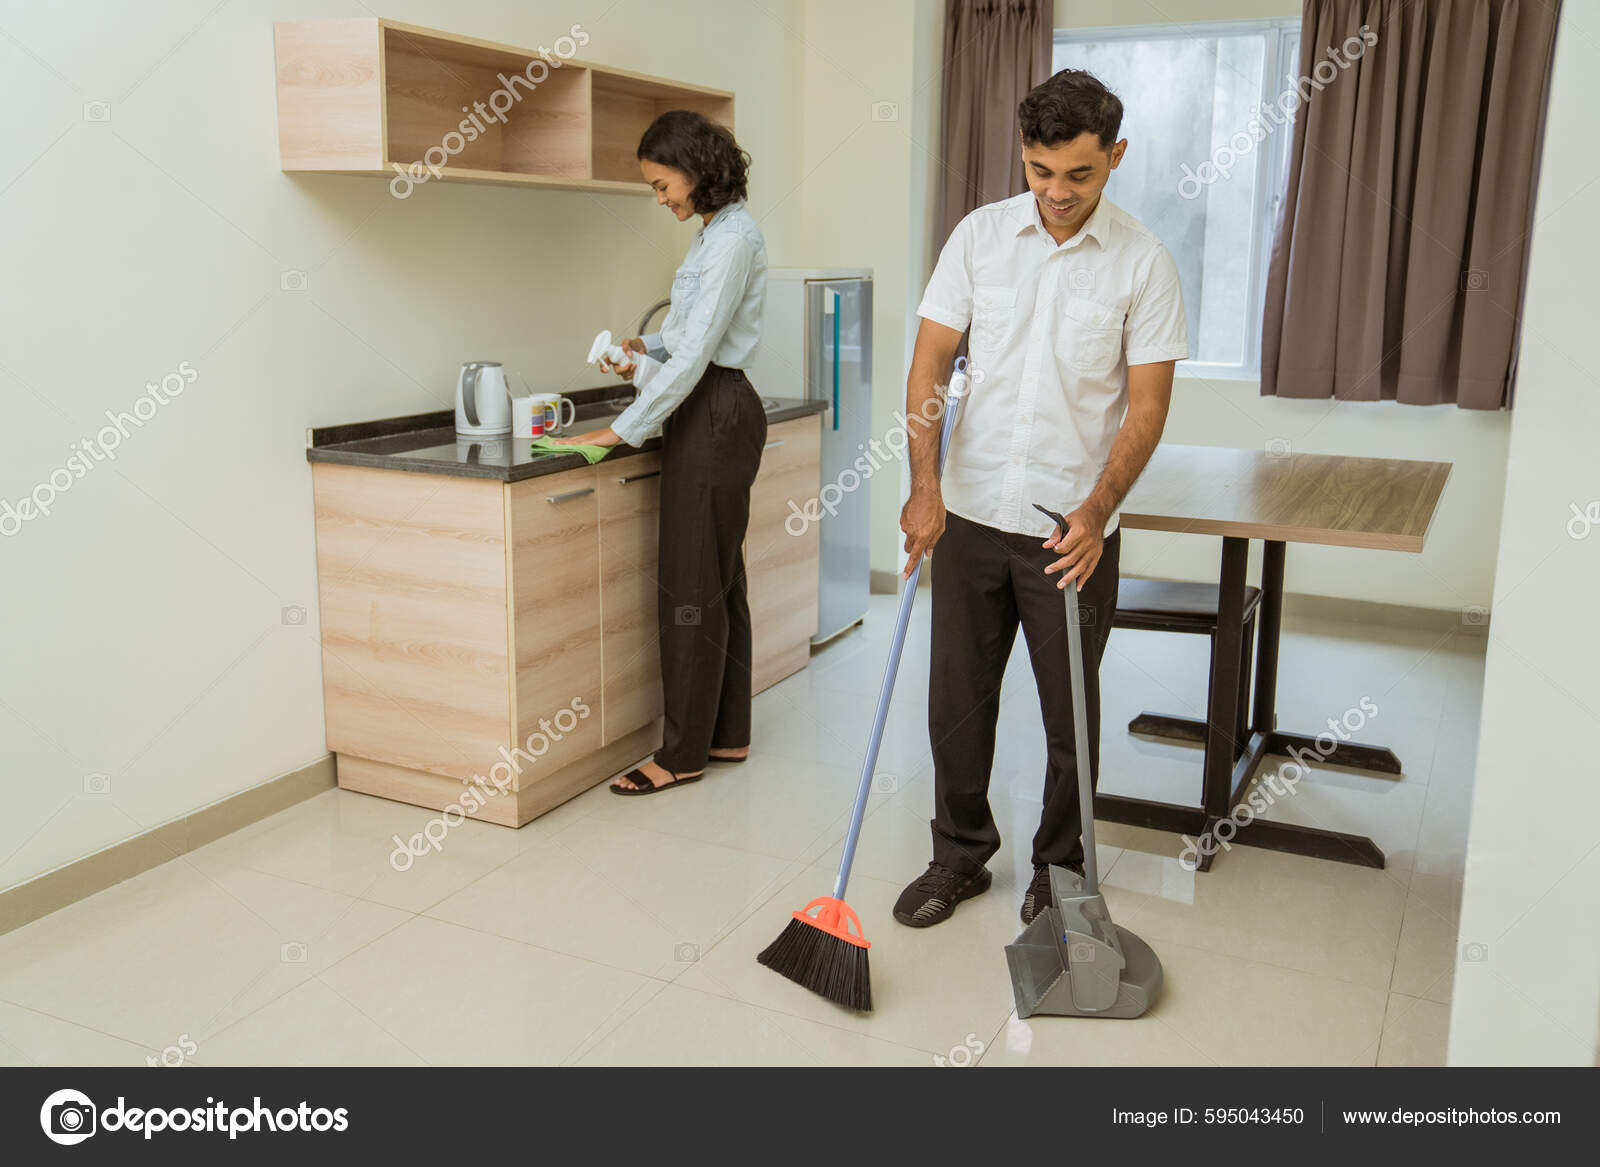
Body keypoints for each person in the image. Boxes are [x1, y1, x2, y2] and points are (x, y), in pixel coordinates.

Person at [892, 69, 1189, 926]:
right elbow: (928, 367)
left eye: (1080, 175)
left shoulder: (1144, 262)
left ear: (1116, 157)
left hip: (1071, 529)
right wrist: (923, 487)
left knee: (1071, 719)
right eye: (1039, 170)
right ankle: (959, 855)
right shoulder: (978, 239)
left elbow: (1149, 406)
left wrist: (1097, 512)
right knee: (957, 702)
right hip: (970, 514)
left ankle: (1058, 868)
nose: (1057, 193)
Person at [553, 110, 768, 796]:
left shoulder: (732, 241)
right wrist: (644, 351)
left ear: (696, 168)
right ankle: (726, 731)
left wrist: (621, 429)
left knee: (690, 589)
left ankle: (680, 754)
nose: (662, 198)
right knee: (717, 580)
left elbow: (700, 355)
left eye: (661, 183)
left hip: (714, 413)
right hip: (713, 407)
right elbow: (686, 340)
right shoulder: (718, 235)